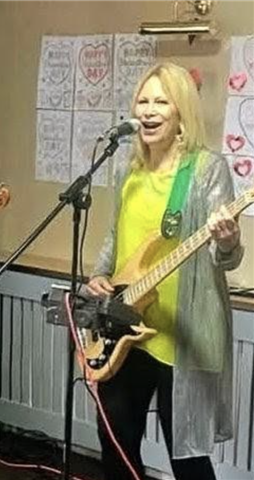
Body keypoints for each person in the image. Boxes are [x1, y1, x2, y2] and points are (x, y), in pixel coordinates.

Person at [86, 62, 244, 480]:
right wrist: (100, 275)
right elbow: (116, 235)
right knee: (115, 445)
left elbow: (225, 258)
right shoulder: (128, 170)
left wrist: (228, 240)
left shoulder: (206, 170)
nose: (149, 110)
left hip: (181, 337)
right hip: (125, 329)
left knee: (187, 459)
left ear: (181, 112)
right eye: (143, 101)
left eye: (161, 101)